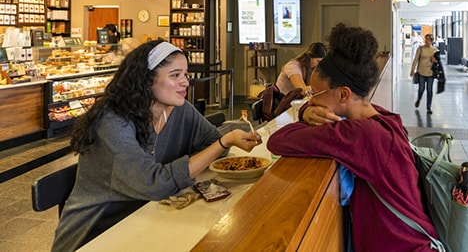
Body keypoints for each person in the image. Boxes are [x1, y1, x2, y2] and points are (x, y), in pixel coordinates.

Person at [52, 40, 261, 252]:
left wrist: (219, 145)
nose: (185, 82)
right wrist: (222, 142)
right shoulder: (112, 122)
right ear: (147, 79)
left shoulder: (178, 109)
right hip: (97, 234)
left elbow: (213, 146)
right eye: (175, 75)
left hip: (148, 218)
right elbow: (155, 184)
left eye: (186, 75)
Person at [268, 23, 439, 252]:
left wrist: (305, 113)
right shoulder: (383, 118)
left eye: (315, 94)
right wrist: (307, 111)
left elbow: (279, 140)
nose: (312, 101)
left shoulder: (361, 135)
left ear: (343, 94)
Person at [410, 33, 439, 114]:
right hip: (421, 71)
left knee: (429, 90)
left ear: (431, 41)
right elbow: (415, 59)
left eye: (428, 40)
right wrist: (412, 69)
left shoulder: (434, 50)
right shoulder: (420, 48)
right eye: (425, 39)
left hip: (430, 72)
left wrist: (435, 60)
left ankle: (428, 107)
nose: (426, 41)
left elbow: (438, 62)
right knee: (421, 89)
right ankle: (419, 99)